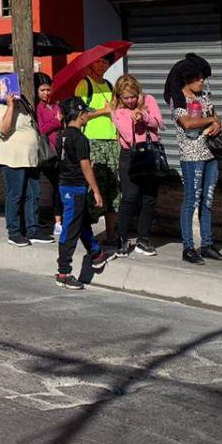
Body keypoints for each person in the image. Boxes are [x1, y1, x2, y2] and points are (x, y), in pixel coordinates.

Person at [165, 54, 222, 264]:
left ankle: (207, 244)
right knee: (191, 200)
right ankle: (188, 247)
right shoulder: (178, 100)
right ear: (186, 79)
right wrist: (210, 120)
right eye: (198, 78)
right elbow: (187, 124)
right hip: (192, 156)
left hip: (210, 154)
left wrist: (216, 123)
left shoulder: (204, 97)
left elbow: (216, 117)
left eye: (203, 78)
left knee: (207, 200)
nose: (202, 82)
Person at [55, 96, 113, 290]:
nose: (88, 115)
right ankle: (64, 272)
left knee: (82, 222)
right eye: (87, 112)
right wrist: (96, 191)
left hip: (64, 185)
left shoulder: (62, 136)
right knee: (71, 228)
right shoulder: (80, 138)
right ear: (81, 115)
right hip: (75, 188)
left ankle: (96, 252)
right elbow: (86, 166)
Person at [113, 74, 163, 258]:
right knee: (130, 197)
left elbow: (159, 123)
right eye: (126, 98)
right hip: (130, 155)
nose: (130, 101)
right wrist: (135, 121)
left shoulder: (149, 100)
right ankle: (122, 238)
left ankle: (143, 238)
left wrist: (145, 116)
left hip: (150, 152)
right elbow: (127, 135)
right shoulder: (117, 110)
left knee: (149, 197)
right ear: (119, 97)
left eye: (133, 96)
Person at [0, 88, 47, 247]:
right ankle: (14, 232)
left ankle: (32, 229)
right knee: (15, 194)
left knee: (33, 194)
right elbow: (4, 129)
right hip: (13, 158)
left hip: (30, 158)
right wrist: (9, 106)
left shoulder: (22, 102)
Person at [77, 56, 122, 245]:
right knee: (94, 187)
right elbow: (79, 115)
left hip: (111, 140)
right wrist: (102, 111)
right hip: (93, 141)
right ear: (90, 64)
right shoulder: (84, 85)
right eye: (98, 61)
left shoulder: (110, 85)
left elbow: (115, 112)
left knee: (113, 188)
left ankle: (111, 233)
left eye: (105, 62)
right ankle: (86, 231)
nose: (102, 65)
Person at [33, 74, 63, 238]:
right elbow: (41, 129)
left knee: (59, 186)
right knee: (45, 187)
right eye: (43, 90)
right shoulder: (39, 108)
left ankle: (58, 221)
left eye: (48, 90)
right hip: (47, 153)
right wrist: (57, 122)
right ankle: (43, 218)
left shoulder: (55, 106)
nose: (46, 93)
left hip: (59, 150)